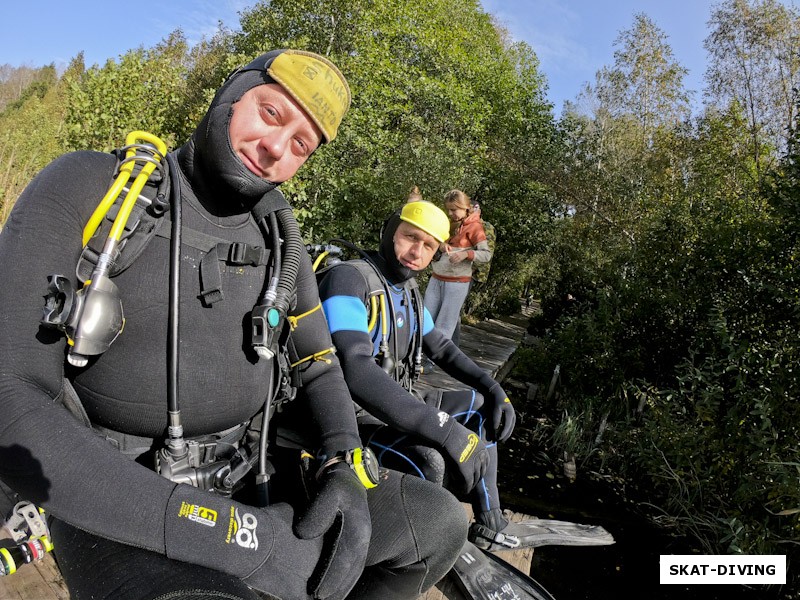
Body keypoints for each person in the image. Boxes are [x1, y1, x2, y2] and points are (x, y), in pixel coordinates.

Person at [0, 50, 466, 600]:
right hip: (114, 495)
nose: (275, 149)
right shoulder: (90, 189)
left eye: (300, 145)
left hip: (248, 473)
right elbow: (12, 397)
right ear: (231, 94)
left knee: (436, 525)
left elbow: (320, 367)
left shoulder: (281, 246)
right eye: (271, 114)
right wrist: (235, 539)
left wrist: (343, 460)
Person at [316, 200, 548, 552]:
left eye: (429, 246)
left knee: (482, 406)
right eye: (410, 237)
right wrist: (445, 429)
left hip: (396, 404)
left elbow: (441, 348)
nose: (416, 252)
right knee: (429, 458)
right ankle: (407, 548)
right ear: (390, 230)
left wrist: (493, 386)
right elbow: (355, 368)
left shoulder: (406, 290)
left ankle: (490, 521)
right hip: (351, 419)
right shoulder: (349, 279)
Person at [423, 189, 491, 341]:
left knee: (444, 325)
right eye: (448, 209)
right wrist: (441, 246)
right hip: (437, 277)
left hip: (457, 283)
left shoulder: (475, 227)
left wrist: (466, 254)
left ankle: (435, 361)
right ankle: (416, 356)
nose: (450, 213)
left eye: (453, 210)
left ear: (465, 207)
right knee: (424, 319)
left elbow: (486, 254)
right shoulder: (449, 224)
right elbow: (434, 244)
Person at [452, 200, 495, 347]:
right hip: (454, 272)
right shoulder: (460, 224)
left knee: (454, 308)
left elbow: (484, 254)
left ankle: (451, 348)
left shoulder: (485, 227)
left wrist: (470, 268)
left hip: (469, 273)